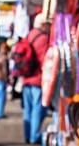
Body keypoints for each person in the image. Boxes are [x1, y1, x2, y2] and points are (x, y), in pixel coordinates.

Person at [23, 15, 50, 144]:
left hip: (26, 78)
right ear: (43, 25)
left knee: (28, 110)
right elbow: (45, 60)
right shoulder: (44, 38)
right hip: (38, 79)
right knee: (37, 109)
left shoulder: (29, 35)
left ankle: (28, 135)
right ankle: (34, 136)